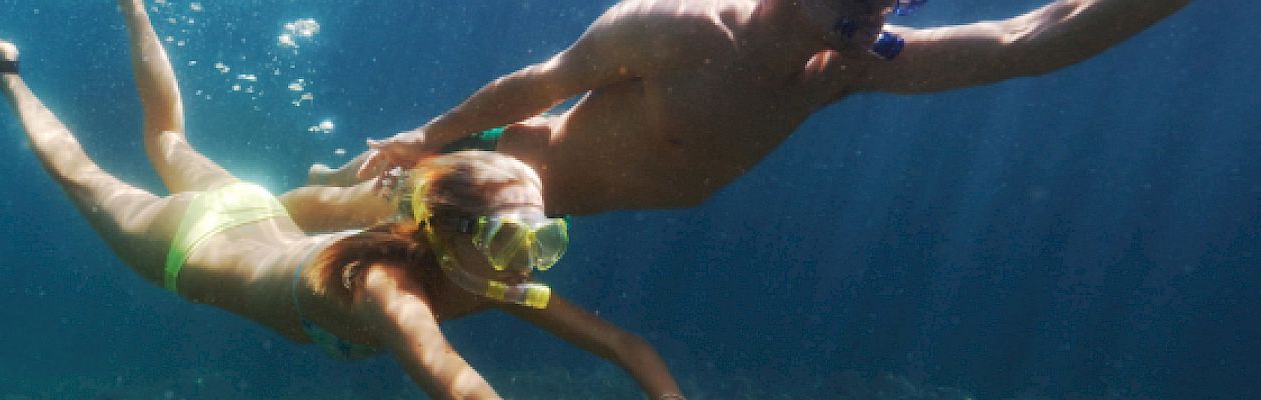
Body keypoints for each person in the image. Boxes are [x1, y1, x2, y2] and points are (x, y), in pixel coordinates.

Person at [0, 2, 686, 399]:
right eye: (519, 242)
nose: (530, 264)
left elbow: (624, 345)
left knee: (166, 145)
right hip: (188, 245)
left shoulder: (468, 266)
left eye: (544, 241)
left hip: (257, 214)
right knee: (84, 175)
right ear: (454, 236)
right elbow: (457, 382)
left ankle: (132, 6)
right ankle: (5, 73)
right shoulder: (391, 292)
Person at [317, 0, 1192, 216]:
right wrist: (425, 137)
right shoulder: (679, 26)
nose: (885, 15)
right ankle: (295, 193)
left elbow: (1033, 37)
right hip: (517, 177)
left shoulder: (844, 67)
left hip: (585, 209)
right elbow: (545, 80)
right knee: (342, 215)